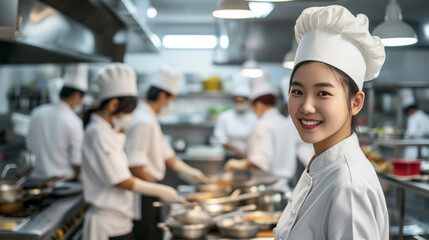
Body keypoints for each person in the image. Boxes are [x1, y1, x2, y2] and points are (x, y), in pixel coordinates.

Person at [274, 5, 389, 239]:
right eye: (297, 91)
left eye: (323, 93)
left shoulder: (349, 186)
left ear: (355, 102)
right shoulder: (320, 166)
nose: (306, 106)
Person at [81, 63, 181, 240]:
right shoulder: (97, 132)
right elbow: (120, 179)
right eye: (128, 111)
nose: (130, 117)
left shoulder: (109, 130)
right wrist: (161, 190)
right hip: (108, 223)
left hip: (120, 218)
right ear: (113, 104)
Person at [124, 65, 209, 240]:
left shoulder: (150, 118)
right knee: (147, 235)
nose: (171, 104)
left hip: (150, 188)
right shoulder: (143, 121)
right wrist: (158, 190)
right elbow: (135, 165)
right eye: (172, 99)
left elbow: (167, 155)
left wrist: (191, 173)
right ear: (163, 96)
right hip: (143, 192)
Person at [224, 73, 310, 192]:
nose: (253, 111)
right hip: (284, 188)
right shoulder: (285, 122)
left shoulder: (263, 125)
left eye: (253, 107)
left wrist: (240, 164)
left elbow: (261, 162)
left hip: (265, 190)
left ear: (258, 104)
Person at [27, 64, 87, 180]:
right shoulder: (74, 121)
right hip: (63, 182)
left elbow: (30, 145)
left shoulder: (37, 112)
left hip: (37, 180)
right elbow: (76, 161)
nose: (80, 103)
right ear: (76, 95)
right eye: (81, 99)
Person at [213, 75, 257, 159]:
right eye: (237, 101)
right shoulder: (224, 116)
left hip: (249, 156)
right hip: (229, 156)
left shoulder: (253, 118)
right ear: (233, 101)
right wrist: (237, 149)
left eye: (242, 101)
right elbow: (220, 138)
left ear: (248, 102)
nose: (239, 103)